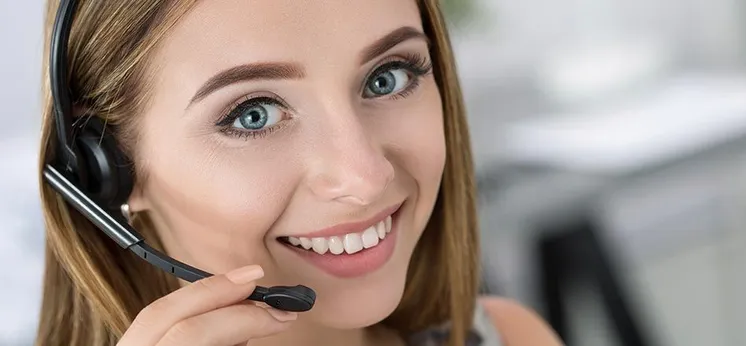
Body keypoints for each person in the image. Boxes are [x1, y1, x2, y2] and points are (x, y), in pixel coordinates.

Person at [34, 1, 563, 345]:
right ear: (103, 166)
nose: (365, 176)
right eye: (253, 115)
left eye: (387, 77)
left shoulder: (513, 335)